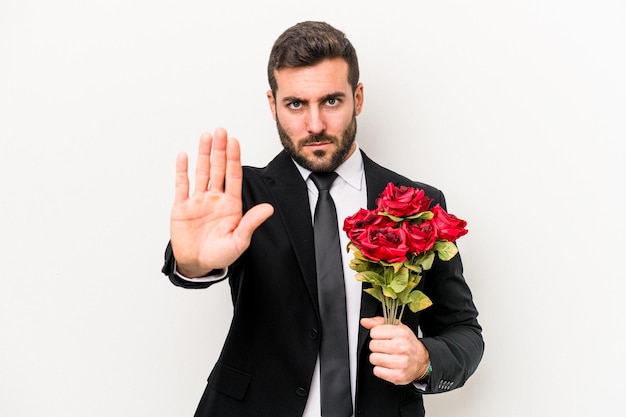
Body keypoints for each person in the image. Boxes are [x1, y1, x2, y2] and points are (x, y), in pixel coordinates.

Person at [162, 21, 483, 417]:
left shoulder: (417, 204)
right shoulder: (240, 195)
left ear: (358, 98)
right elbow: (193, 259)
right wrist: (194, 265)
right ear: (272, 104)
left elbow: (464, 332)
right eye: (295, 104)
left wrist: (424, 359)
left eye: (331, 101)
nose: (314, 125)